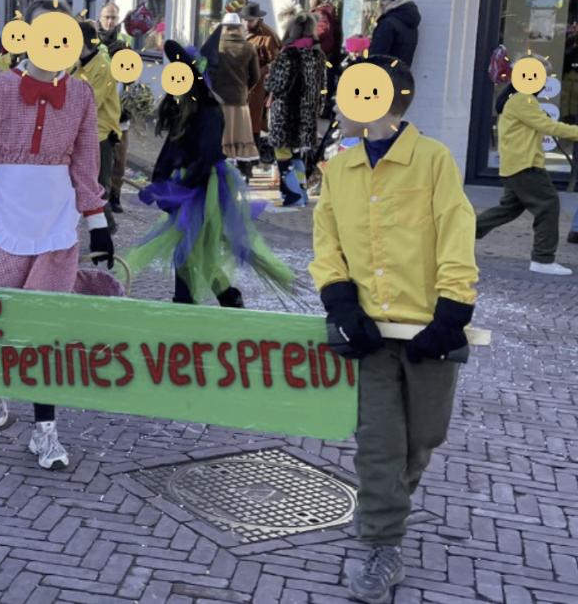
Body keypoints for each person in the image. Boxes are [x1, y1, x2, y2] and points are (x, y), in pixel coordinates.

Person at [311, 55, 478, 604]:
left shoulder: (433, 161)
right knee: (379, 445)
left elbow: (456, 232)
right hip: (371, 336)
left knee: (423, 437)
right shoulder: (338, 171)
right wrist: (341, 303)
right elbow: (327, 244)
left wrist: (452, 312)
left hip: (429, 335)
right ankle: (382, 542)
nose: (338, 102)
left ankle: (388, 508)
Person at [0, 0, 112, 470]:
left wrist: (97, 219)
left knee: (45, 323)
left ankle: (46, 430)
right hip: (5, 213)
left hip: (55, 218)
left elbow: (86, 162)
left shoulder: (81, 96)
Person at [127, 40, 292, 308]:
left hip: (204, 186)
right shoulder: (181, 108)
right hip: (184, 184)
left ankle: (184, 301)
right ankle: (226, 295)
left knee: (187, 248)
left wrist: (181, 186)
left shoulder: (209, 112)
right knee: (195, 249)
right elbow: (171, 148)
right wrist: (159, 180)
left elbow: (210, 154)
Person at [476, 68, 578, 275]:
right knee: (548, 206)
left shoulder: (516, 99)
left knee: (507, 210)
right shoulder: (523, 100)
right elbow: (549, 126)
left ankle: (457, 234)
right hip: (525, 166)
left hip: (516, 165)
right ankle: (543, 259)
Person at [264, 11, 326, 207]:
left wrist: (268, 78)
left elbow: (276, 84)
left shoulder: (288, 54)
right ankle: (302, 193)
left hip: (286, 112)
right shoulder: (318, 54)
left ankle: (293, 195)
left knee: (282, 153)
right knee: (298, 152)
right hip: (307, 113)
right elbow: (322, 85)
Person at [74, 20, 122, 234]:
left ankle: (106, 228)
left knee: (98, 185)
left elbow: (92, 103)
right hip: (85, 132)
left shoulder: (102, 67)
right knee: (84, 181)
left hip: (101, 134)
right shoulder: (78, 64)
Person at [203, 13, 260, 180]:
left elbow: (206, 72)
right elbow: (255, 76)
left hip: (218, 100)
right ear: (239, 27)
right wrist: (244, 88)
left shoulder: (215, 46)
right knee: (241, 138)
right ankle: (245, 173)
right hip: (240, 100)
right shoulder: (249, 47)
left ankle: (218, 174)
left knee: (221, 138)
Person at [97, 2, 135, 213]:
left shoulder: (126, 41)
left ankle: (115, 196)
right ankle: (98, 195)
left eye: (113, 17)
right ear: (100, 17)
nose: (110, 21)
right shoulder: (93, 42)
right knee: (100, 158)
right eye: (106, 17)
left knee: (120, 158)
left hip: (121, 112)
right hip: (101, 112)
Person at [240, 2, 281, 160]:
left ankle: (250, 162)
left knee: (253, 124)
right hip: (238, 86)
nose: (247, 23)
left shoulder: (268, 36)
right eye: (245, 19)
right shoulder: (238, 31)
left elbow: (276, 62)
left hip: (256, 88)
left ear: (258, 19)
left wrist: (259, 72)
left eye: (250, 20)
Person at [309, 0, 343, 117]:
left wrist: (308, 37)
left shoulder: (321, 12)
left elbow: (324, 29)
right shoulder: (326, 11)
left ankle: (319, 111)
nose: (310, 1)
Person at [369, 0, 421, 66]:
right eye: (379, 0)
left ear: (396, 1)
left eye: (384, 0)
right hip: (401, 74)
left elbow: (377, 55)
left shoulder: (388, 24)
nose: (380, 4)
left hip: (384, 74)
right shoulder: (410, 23)